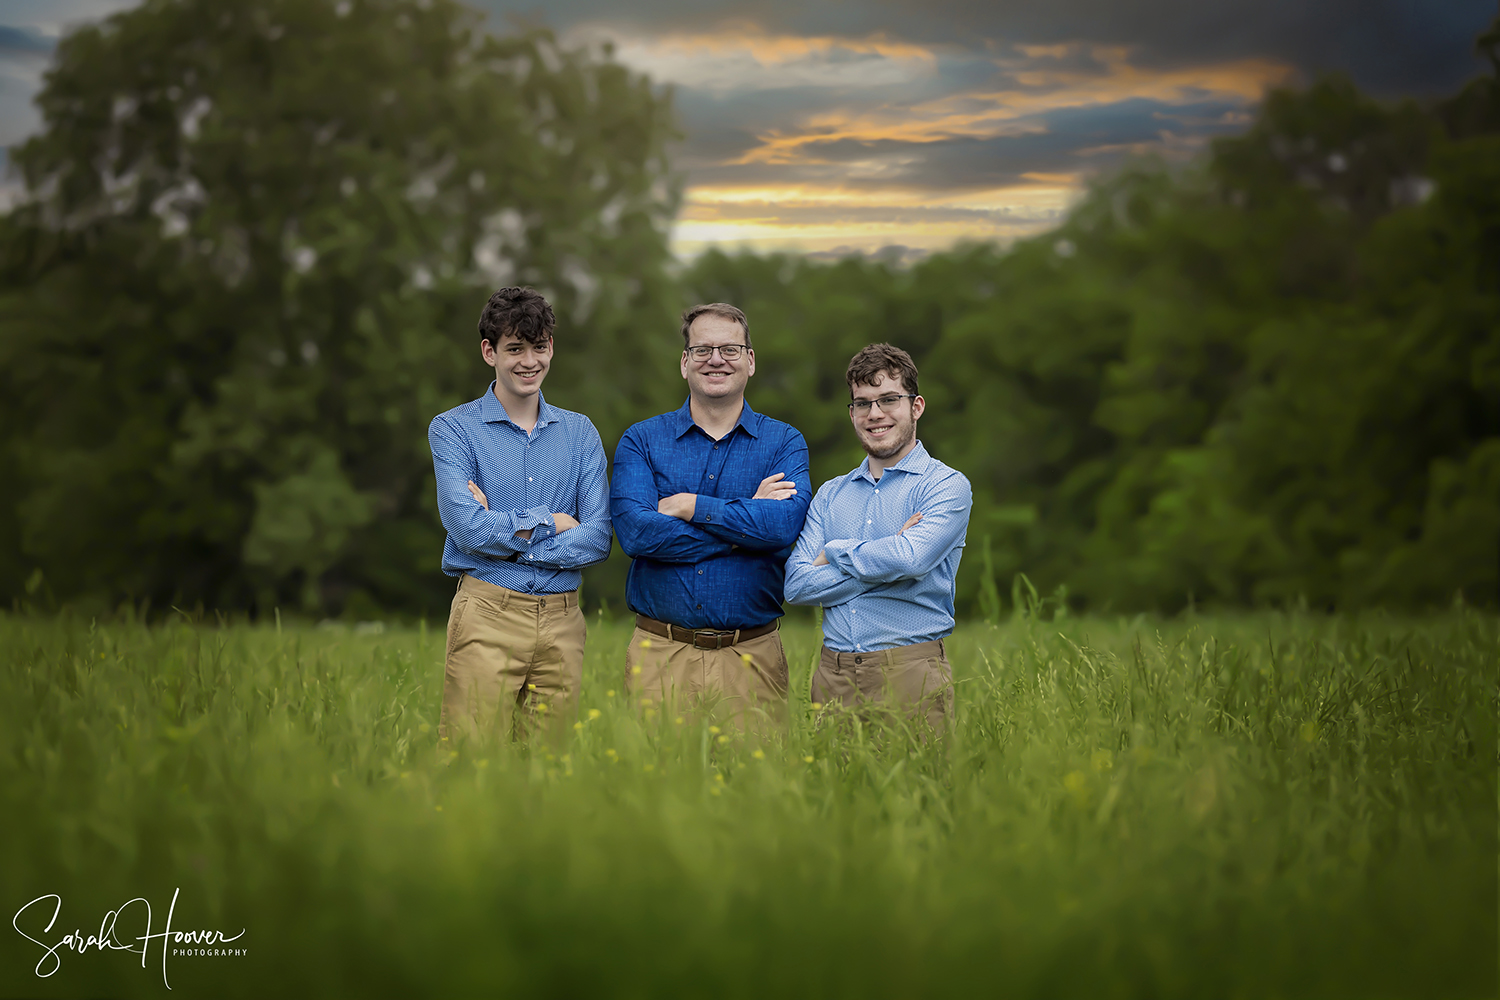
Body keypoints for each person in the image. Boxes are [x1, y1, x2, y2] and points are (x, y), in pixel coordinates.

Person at [611, 303, 811, 730]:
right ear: (684, 363)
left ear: (750, 361)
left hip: (752, 656)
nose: (716, 359)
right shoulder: (641, 440)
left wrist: (690, 507)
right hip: (660, 654)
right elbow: (636, 534)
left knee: (757, 792)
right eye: (702, 350)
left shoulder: (784, 442)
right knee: (654, 791)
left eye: (730, 349)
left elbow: (783, 526)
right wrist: (744, 525)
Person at [428, 286, 612, 742]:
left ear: (552, 347)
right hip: (487, 612)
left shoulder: (581, 431)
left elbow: (597, 538)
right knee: (470, 763)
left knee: (549, 775)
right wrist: (551, 521)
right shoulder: (453, 429)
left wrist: (503, 537)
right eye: (515, 349)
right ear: (489, 352)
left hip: (563, 621)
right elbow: (466, 527)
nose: (529, 361)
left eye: (539, 347)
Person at [784, 343, 972, 739]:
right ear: (851, 412)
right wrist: (887, 554)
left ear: (916, 406)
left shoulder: (946, 486)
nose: (875, 414)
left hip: (909, 672)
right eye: (862, 403)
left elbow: (911, 559)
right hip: (832, 676)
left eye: (889, 399)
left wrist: (834, 552)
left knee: (917, 796)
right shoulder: (831, 494)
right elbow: (797, 585)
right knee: (830, 798)